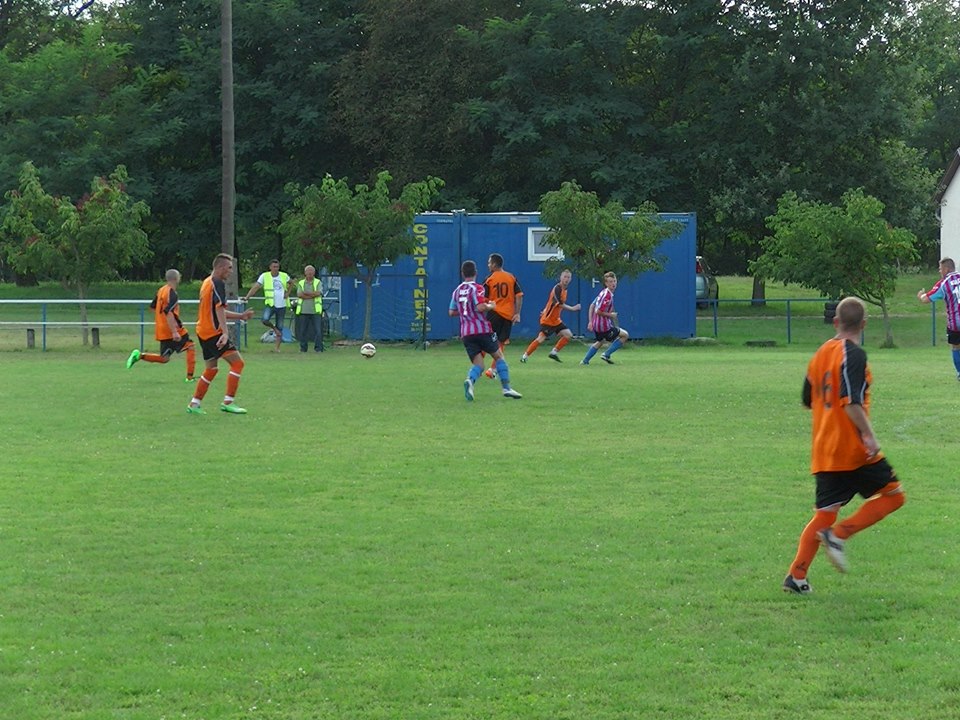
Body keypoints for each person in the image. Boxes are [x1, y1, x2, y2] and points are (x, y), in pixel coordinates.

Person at [783, 296, 906, 595]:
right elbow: (850, 402)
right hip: (852, 449)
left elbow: (807, 399)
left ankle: (796, 577)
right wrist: (869, 435)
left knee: (825, 513)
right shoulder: (853, 354)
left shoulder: (820, 354)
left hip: (824, 449)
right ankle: (837, 535)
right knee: (894, 496)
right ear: (864, 324)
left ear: (836, 322)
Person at [187, 253, 256, 415]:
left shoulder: (206, 283)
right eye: (229, 268)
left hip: (203, 331)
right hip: (214, 332)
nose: (231, 271)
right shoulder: (217, 283)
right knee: (238, 363)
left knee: (211, 369)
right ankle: (228, 402)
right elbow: (219, 309)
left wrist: (240, 316)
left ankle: (194, 404)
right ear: (220, 268)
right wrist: (225, 333)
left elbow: (217, 311)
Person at [450, 259, 522, 401]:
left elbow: (451, 312)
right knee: (499, 356)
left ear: (462, 273)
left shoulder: (457, 291)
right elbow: (480, 307)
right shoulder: (477, 288)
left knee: (479, 364)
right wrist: (491, 306)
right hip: (482, 330)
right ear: (475, 273)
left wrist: (466, 311)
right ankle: (506, 388)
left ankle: (470, 380)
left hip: (466, 333)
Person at [125, 268, 197, 382]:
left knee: (164, 358)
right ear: (176, 278)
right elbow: (168, 312)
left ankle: (139, 355)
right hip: (173, 329)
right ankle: (189, 378)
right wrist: (174, 331)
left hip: (162, 330)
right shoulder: (172, 293)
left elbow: (153, 307)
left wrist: (161, 321)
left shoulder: (161, 290)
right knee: (190, 346)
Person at [521, 268, 581, 363]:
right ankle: (525, 356)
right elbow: (559, 303)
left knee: (568, 335)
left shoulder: (565, 290)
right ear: (561, 277)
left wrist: (545, 309)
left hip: (556, 320)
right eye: (565, 277)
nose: (566, 279)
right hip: (548, 320)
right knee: (540, 339)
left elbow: (551, 302)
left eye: (568, 277)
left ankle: (554, 352)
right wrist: (573, 308)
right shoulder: (557, 288)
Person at [917, 257, 960, 380]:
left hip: (955, 323)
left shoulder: (943, 284)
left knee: (956, 346)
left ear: (946, 269)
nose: (939, 271)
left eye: (940, 269)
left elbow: (926, 299)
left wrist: (920, 295)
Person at [481, 253, 523, 379]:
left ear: (494, 264)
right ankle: (492, 369)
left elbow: (483, 298)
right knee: (501, 342)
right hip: (507, 315)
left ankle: (478, 366)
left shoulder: (490, 279)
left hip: (494, 313)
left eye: (489, 263)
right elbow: (519, 295)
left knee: (485, 340)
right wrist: (517, 313)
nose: (488, 265)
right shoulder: (511, 277)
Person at [242, 259, 294, 352]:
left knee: (280, 326)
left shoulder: (284, 275)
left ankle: (277, 348)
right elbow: (256, 287)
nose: (276, 269)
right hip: (270, 303)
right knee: (265, 319)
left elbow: (291, 282)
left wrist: (288, 293)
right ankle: (274, 328)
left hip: (282, 304)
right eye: (274, 267)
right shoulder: (264, 276)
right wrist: (247, 297)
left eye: (277, 267)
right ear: (270, 267)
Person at [581, 271, 629, 365]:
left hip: (596, 325)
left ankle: (585, 361)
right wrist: (611, 315)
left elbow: (592, 305)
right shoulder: (607, 295)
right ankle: (606, 354)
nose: (613, 284)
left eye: (614, 281)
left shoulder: (603, 292)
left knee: (600, 341)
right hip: (604, 326)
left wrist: (590, 321)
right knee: (625, 335)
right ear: (606, 283)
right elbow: (598, 311)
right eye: (610, 282)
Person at [295, 265, 325, 353]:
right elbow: (299, 294)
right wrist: (312, 295)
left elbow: (318, 293)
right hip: (303, 310)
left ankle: (318, 348)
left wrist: (306, 294)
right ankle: (303, 348)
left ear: (314, 273)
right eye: (308, 271)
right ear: (305, 273)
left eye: (311, 271)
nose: (310, 273)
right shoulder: (301, 283)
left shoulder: (318, 282)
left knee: (318, 331)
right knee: (303, 331)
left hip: (316, 311)